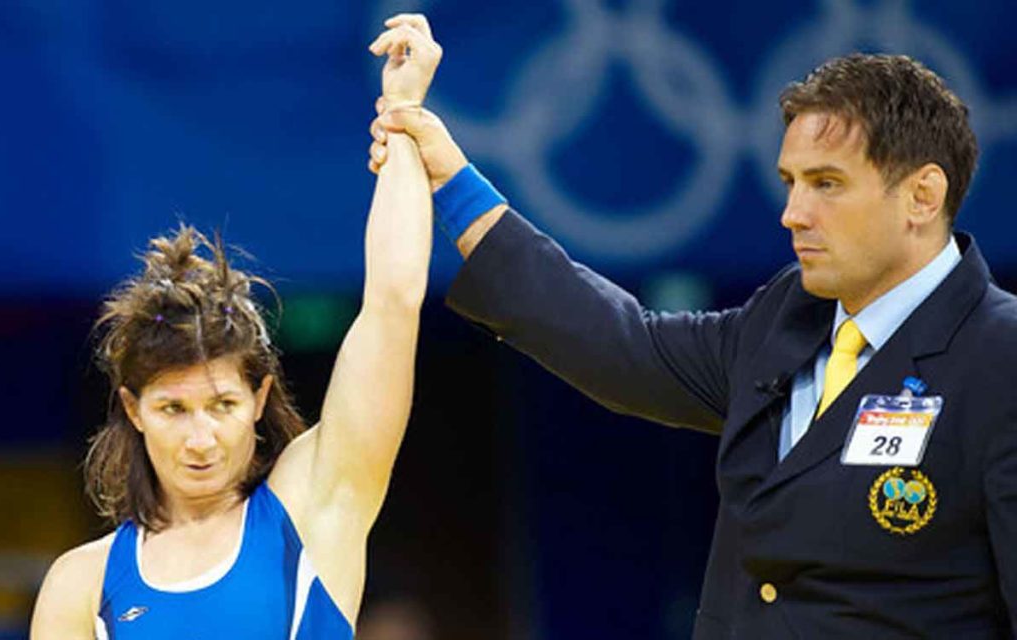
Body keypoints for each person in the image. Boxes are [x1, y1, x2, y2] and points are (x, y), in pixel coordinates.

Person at [368, 14, 1017, 639]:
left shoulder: (1001, 356)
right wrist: (451, 180)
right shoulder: (785, 317)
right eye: (790, 181)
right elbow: (620, 344)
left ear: (923, 197)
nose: (793, 212)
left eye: (827, 183)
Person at [28, 15, 439, 639]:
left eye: (222, 403)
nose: (201, 440)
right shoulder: (80, 586)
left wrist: (404, 115)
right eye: (173, 409)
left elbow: (393, 302)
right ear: (133, 409)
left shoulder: (314, 508)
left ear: (259, 400)